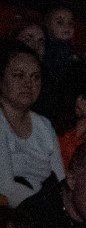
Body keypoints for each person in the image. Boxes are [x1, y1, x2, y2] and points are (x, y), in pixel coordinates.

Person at [0, 43, 64, 208]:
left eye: (35, 77)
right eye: (18, 75)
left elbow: (60, 179)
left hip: (48, 207)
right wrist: (48, 210)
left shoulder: (44, 124)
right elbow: (5, 187)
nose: (29, 84)